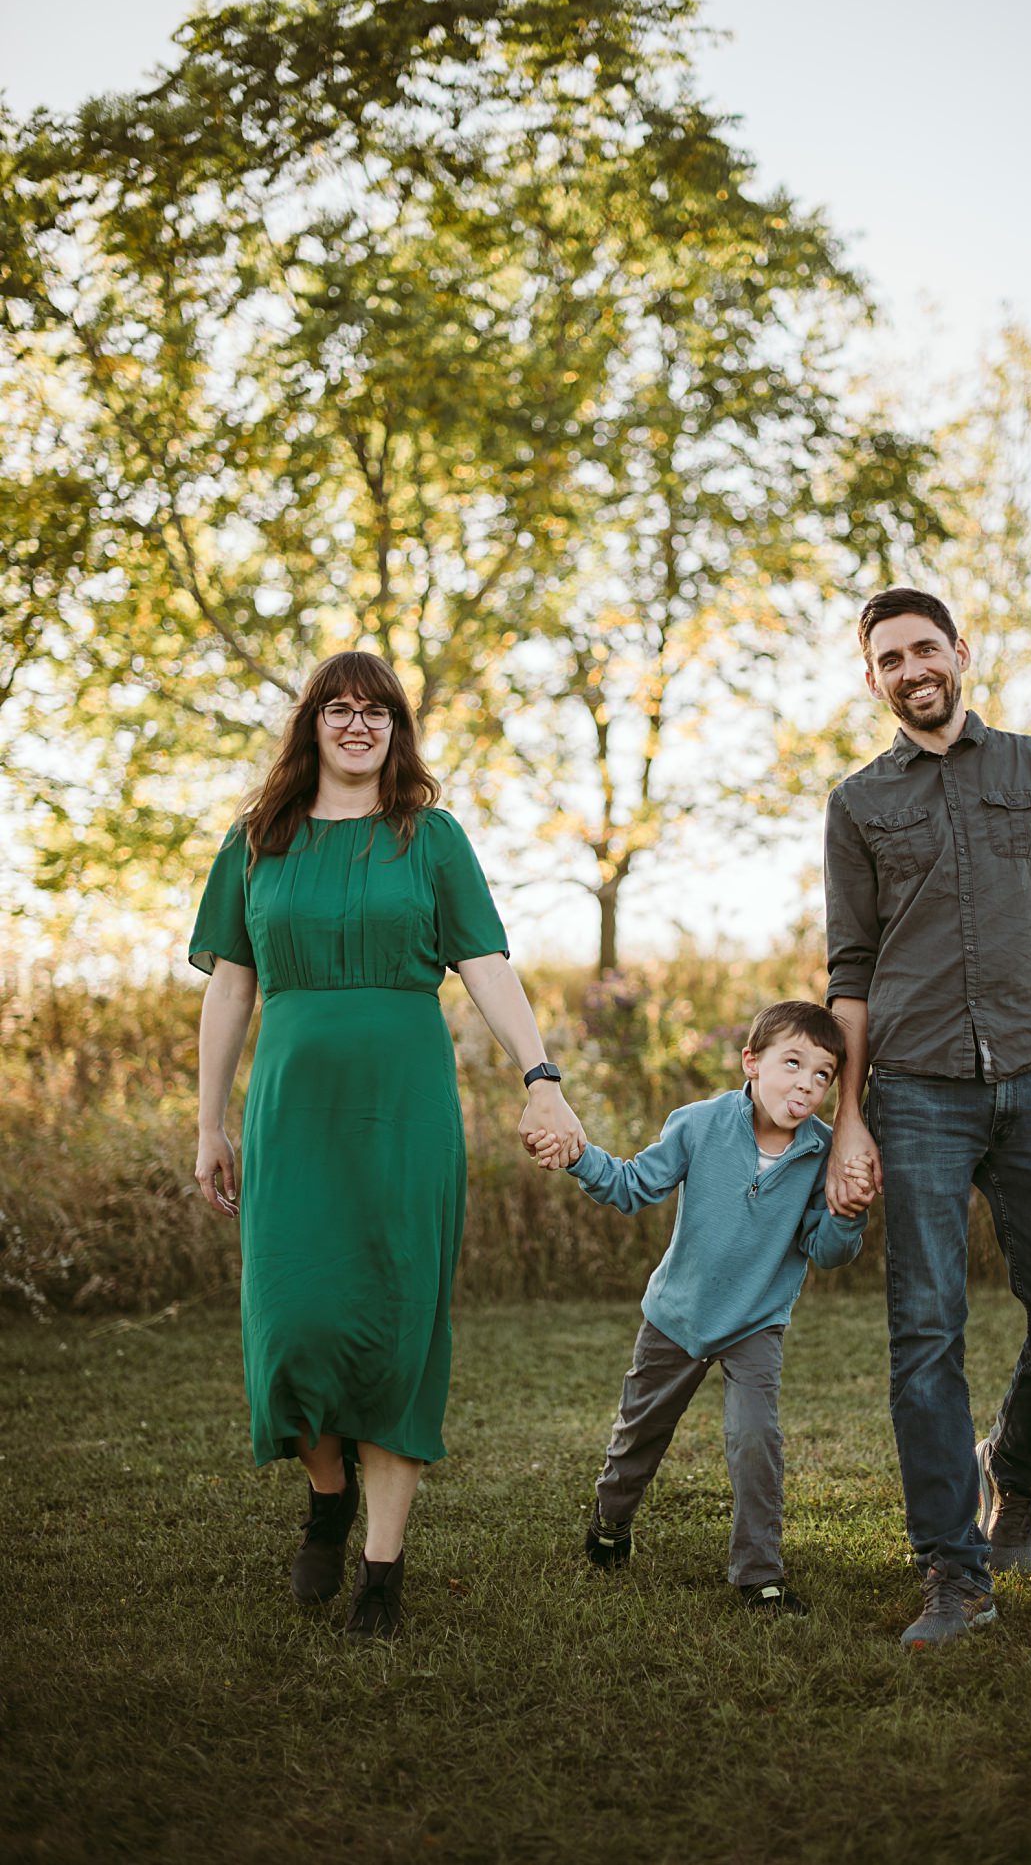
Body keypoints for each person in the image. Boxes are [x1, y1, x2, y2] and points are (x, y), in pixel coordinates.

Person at [190, 650, 584, 1639]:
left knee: (397, 1325)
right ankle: (326, 1493)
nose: (359, 725)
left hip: (404, 1108)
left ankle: (379, 1570)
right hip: (292, 1111)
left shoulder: (431, 837)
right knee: (295, 1330)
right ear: (311, 725)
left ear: (397, 730)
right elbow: (230, 986)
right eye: (340, 708)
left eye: (378, 712)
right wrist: (208, 1122)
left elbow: (486, 964)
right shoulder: (255, 841)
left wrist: (543, 1079)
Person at [822, 588, 1031, 1650]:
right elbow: (851, 971)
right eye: (889, 658)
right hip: (915, 1089)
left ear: (961, 653)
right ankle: (952, 1575)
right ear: (870, 680)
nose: (911, 667)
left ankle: (1011, 1474)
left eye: (925, 647)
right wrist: (847, 1118)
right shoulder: (856, 804)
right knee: (924, 1336)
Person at [540, 1000, 871, 1613]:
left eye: (823, 1074)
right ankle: (611, 1523)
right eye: (792, 1063)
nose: (806, 1083)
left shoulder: (823, 1154)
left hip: (755, 1322)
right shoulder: (698, 1124)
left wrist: (848, 1216)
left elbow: (823, 1250)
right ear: (751, 1061)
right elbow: (633, 1186)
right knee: (639, 1434)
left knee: (755, 1439)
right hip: (678, 1314)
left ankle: (758, 1573)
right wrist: (579, 1157)